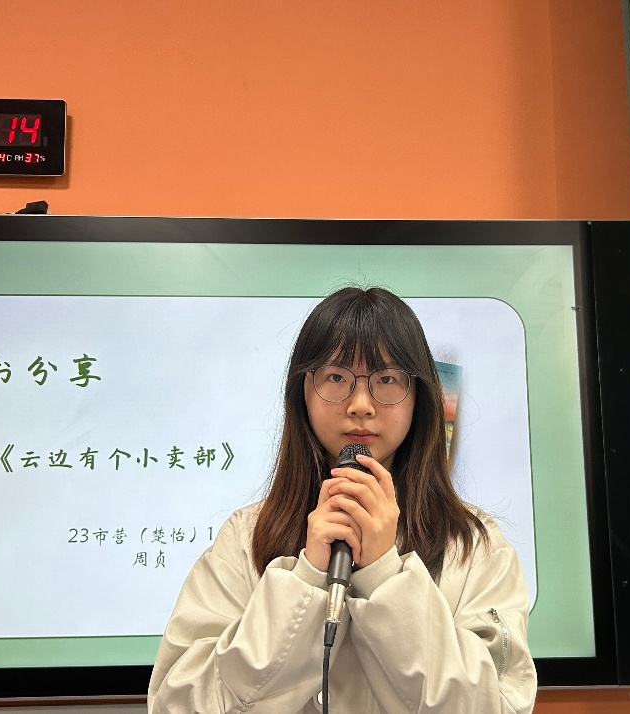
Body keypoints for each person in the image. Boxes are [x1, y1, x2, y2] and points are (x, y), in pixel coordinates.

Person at [147, 287, 537, 713]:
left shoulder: (474, 545)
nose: (361, 405)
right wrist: (307, 578)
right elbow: (175, 703)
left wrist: (385, 574)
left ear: (418, 397)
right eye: (336, 378)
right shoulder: (245, 537)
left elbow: (500, 705)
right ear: (304, 391)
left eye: (387, 379)